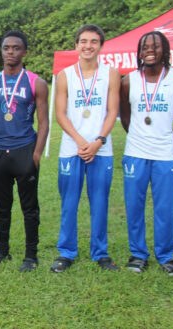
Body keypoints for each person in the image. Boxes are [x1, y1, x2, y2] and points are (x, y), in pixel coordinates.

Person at [52, 24, 120, 273]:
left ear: (101, 45)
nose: (88, 46)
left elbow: (113, 111)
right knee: (69, 202)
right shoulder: (65, 75)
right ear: (77, 44)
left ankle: (100, 253)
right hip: (72, 149)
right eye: (83, 41)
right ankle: (66, 252)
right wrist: (81, 141)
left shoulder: (111, 73)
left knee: (100, 202)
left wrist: (98, 140)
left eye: (93, 41)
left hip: (101, 148)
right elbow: (60, 114)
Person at [0, 30, 49, 271]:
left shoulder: (36, 82)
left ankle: (31, 256)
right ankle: (2, 251)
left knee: (29, 207)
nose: (11, 52)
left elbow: (43, 122)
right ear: (1, 51)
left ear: (24, 52)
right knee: (2, 208)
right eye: (6, 48)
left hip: (24, 150)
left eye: (16, 48)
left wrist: (37, 154)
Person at [120, 31, 173, 276]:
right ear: (140, 52)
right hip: (135, 152)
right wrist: (138, 135)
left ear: (165, 50)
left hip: (165, 154)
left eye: (155, 46)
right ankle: (138, 254)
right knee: (135, 205)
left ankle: (166, 256)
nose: (150, 50)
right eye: (145, 47)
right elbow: (125, 117)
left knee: (165, 207)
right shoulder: (128, 81)